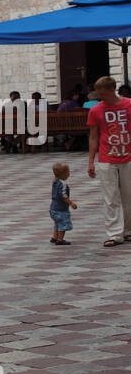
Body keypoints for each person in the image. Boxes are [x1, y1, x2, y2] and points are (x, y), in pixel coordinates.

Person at [86, 75, 131, 247]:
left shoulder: (129, 105)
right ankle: (114, 233)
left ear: (112, 90)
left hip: (128, 156)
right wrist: (91, 161)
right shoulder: (96, 110)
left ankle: (128, 230)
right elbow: (93, 137)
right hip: (107, 157)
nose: (100, 97)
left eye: (102, 93)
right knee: (110, 197)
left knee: (129, 196)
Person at [49, 161, 77, 246]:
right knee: (62, 223)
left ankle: (55, 237)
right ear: (64, 174)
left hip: (53, 208)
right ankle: (60, 239)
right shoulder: (63, 184)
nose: (69, 174)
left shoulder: (55, 182)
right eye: (68, 172)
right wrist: (71, 203)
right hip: (61, 209)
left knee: (57, 223)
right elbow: (63, 196)